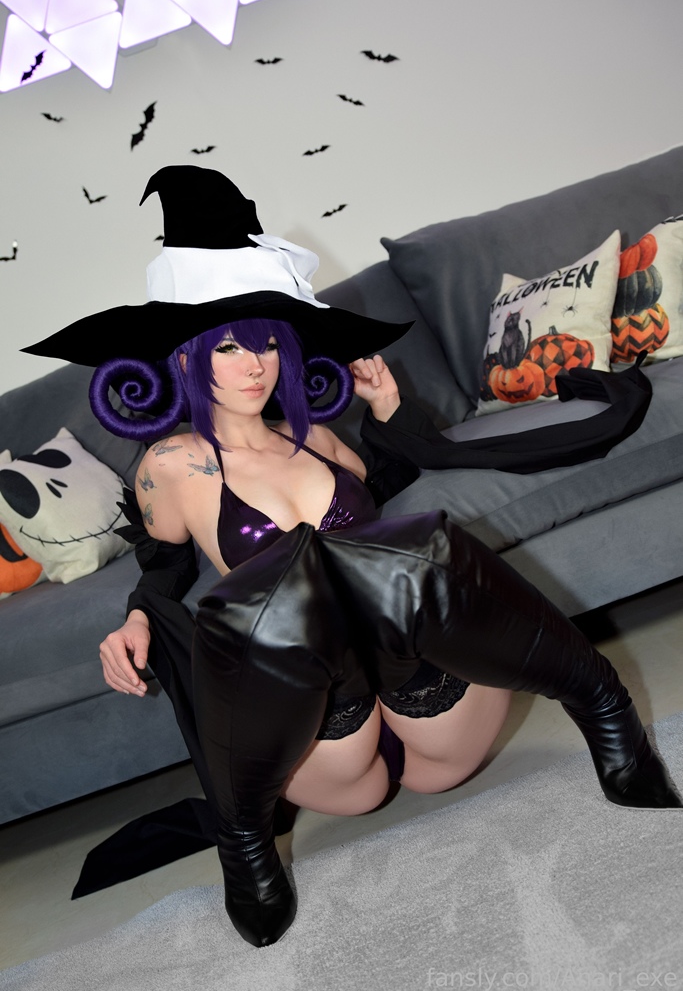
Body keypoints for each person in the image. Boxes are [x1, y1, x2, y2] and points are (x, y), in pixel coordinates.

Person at [24, 166, 682, 950]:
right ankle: (245, 842)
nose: (255, 364)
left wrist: (388, 411)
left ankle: (601, 702)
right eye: (229, 346)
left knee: (406, 550)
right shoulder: (172, 464)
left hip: (433, 719)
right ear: (189, 359)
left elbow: (391, 487)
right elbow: (161, 558)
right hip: (328, 738)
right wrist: (136, 616)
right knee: (290, 589)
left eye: (269, 343)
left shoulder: (319, 442)